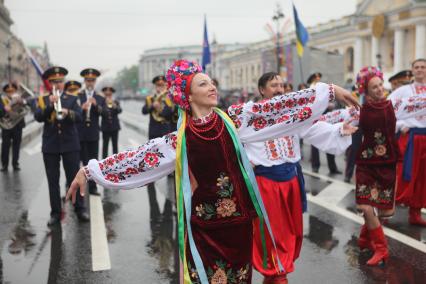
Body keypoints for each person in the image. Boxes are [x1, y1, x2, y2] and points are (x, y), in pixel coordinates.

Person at [67, 59, 358, 283]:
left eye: (211, 82)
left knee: (239, 278)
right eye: (204, 84)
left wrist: (328, 91)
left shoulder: (234, 119)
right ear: (189, 96)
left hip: (239, 220)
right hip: (204, 225)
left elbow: (275, 109)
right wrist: (91, 171)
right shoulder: (179, 139)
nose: (212, 88)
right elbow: (141, 159)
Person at [246, 72, 357, 284]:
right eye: (273, 85)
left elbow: (313, 129)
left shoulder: (292, 112)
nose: (279, 89)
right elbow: (234, 141)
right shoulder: (250, 115)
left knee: (292, 231)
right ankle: (278, 275)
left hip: (291, 180)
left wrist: (340, 130)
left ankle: (276, 274)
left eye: (281, 85)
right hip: (266, 183)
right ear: (262, 90)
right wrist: (246, 160)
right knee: (272, 233)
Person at [320, 66, 426, 265]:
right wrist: (305, 122)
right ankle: (381, 248)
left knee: (384, 211)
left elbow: (421, 103)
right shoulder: (358, 111)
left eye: (380, 85)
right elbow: (330, 119)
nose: (379, 89)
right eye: (374, 87)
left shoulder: (395, 105)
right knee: (365, 206)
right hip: (366, 164)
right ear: (365, 91)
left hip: (387, 164)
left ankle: (366, 237)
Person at [34, 66, 89, 226]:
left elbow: (79, 117)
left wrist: (67, 112)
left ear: (63, 82)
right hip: (50, 145)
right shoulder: (43, 99)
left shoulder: (72, 98)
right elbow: (38, 117)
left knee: (76, 178)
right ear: (49, 83)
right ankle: (55, 213)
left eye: (60, 81)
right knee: (53, 181)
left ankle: (80, 209)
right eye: (54, 82)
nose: (57, 85)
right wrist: (51, 105)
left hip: (70, 144)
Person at [388, 58, 426, 226]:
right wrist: (400, 124)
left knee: (422, 177)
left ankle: (415, 213)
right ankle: (385, 210)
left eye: (423, 67)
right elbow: (386, 109)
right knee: (401, 175)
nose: (420, 70)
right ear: (412, 70)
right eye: (416, 67)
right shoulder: (403, 91)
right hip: (409, 138)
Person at [142, 75, 174, 220]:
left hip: (165, 129)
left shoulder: (169, 98)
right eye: (159, 85)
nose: (161, 87)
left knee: (167, 153)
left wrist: (163, 106)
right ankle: (153, 171)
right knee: (153, 153)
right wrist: (152, 106)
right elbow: (144, 110)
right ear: (156, 86)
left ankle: (169, 171)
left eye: (163, 85)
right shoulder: (150, 98)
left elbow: (170, 113)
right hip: (154, 130)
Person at [307, 72, 342, 175]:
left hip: (325, 116)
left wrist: (330, 104)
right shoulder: (311, 89)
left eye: (319, 77)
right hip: (315, 117)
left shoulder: (322, 87)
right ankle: (315, 166)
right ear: (313, 79)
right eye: (317, 77)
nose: (319, 79)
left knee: (329, 139)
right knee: (315, 142)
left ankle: (332, 167)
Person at [77, 68, 105, 195]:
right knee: (81, 161)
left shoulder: (99, 97)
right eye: (88, 80)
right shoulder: (78, 95)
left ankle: (93, 187)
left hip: (93, 133)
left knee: (93, 162)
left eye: (92, 80)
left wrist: (95, 106)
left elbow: (104, 113)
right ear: (84, 81)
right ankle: (79, 185)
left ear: (95, 81)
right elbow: (74, 113)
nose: (90, 82)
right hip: (81, 133)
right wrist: (81, 109)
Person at [0, 83, 26, 171]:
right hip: (6, 126)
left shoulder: (20, 98)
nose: (11, 93)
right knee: (5, 146)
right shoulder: (2, 99)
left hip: (18, 125)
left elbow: (27, 108)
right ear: (5, 92)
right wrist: (4, 109)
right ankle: (4, 164)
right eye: (8, 91)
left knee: (16, 145)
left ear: (15, 91)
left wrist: (22, 102)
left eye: (12, 91)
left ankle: (15, 164)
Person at [101, 86, 122, 158]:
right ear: (104, 94)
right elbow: (100, 113)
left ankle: (116, 161)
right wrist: (104, 105)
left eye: (109, 94)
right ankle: (104, 162)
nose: (108, 96)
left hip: (114, 127)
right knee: (105, 146)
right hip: (105, 127)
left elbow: (120, 110)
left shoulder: (115, 101)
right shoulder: (102, 102)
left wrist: (115, 106)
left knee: (115, 145)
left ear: (112, 94)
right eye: (106, 94)